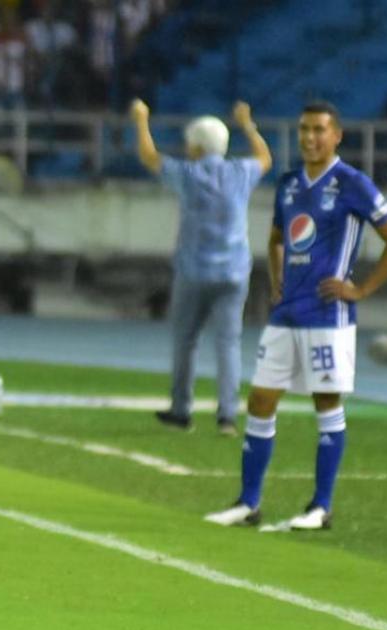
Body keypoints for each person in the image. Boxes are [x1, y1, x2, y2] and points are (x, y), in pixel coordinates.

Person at [204, 101, 387, 530]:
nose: (310, 138)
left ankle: (320, 507)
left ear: (336, 136)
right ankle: (248, 502)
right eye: (303, 130)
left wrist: (361, 289)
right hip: (287, 313)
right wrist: (278, 279)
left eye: (318, 130)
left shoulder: (352, 183)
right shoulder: (289, 184)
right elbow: (277, 237)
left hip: (327, 315)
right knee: (261, 398)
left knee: (326, 403)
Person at [131, 98, 272, 436]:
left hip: (194, 271)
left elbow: (149, 157)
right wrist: (248, 124)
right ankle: (227, 415)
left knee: (185, 340)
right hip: (234, 270)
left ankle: (182, 409)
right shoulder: (240, 173)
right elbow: (266, 158)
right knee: (229, 343)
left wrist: (141, 120)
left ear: (195, 146)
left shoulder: (189, 174)